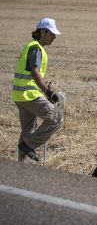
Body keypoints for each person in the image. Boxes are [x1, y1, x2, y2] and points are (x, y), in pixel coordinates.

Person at [13, 18, 64, 162]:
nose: (54, 37)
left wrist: (45, 86)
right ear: (43, 32)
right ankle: (29, 144)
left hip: (19, 95)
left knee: (27, 130)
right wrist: (47, 92)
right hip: (29, 95)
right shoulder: (36, 48)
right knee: (56, 118)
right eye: (52, 33)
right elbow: (34, 72)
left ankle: (20, 165)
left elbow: (32, 73)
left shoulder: (31, 46)